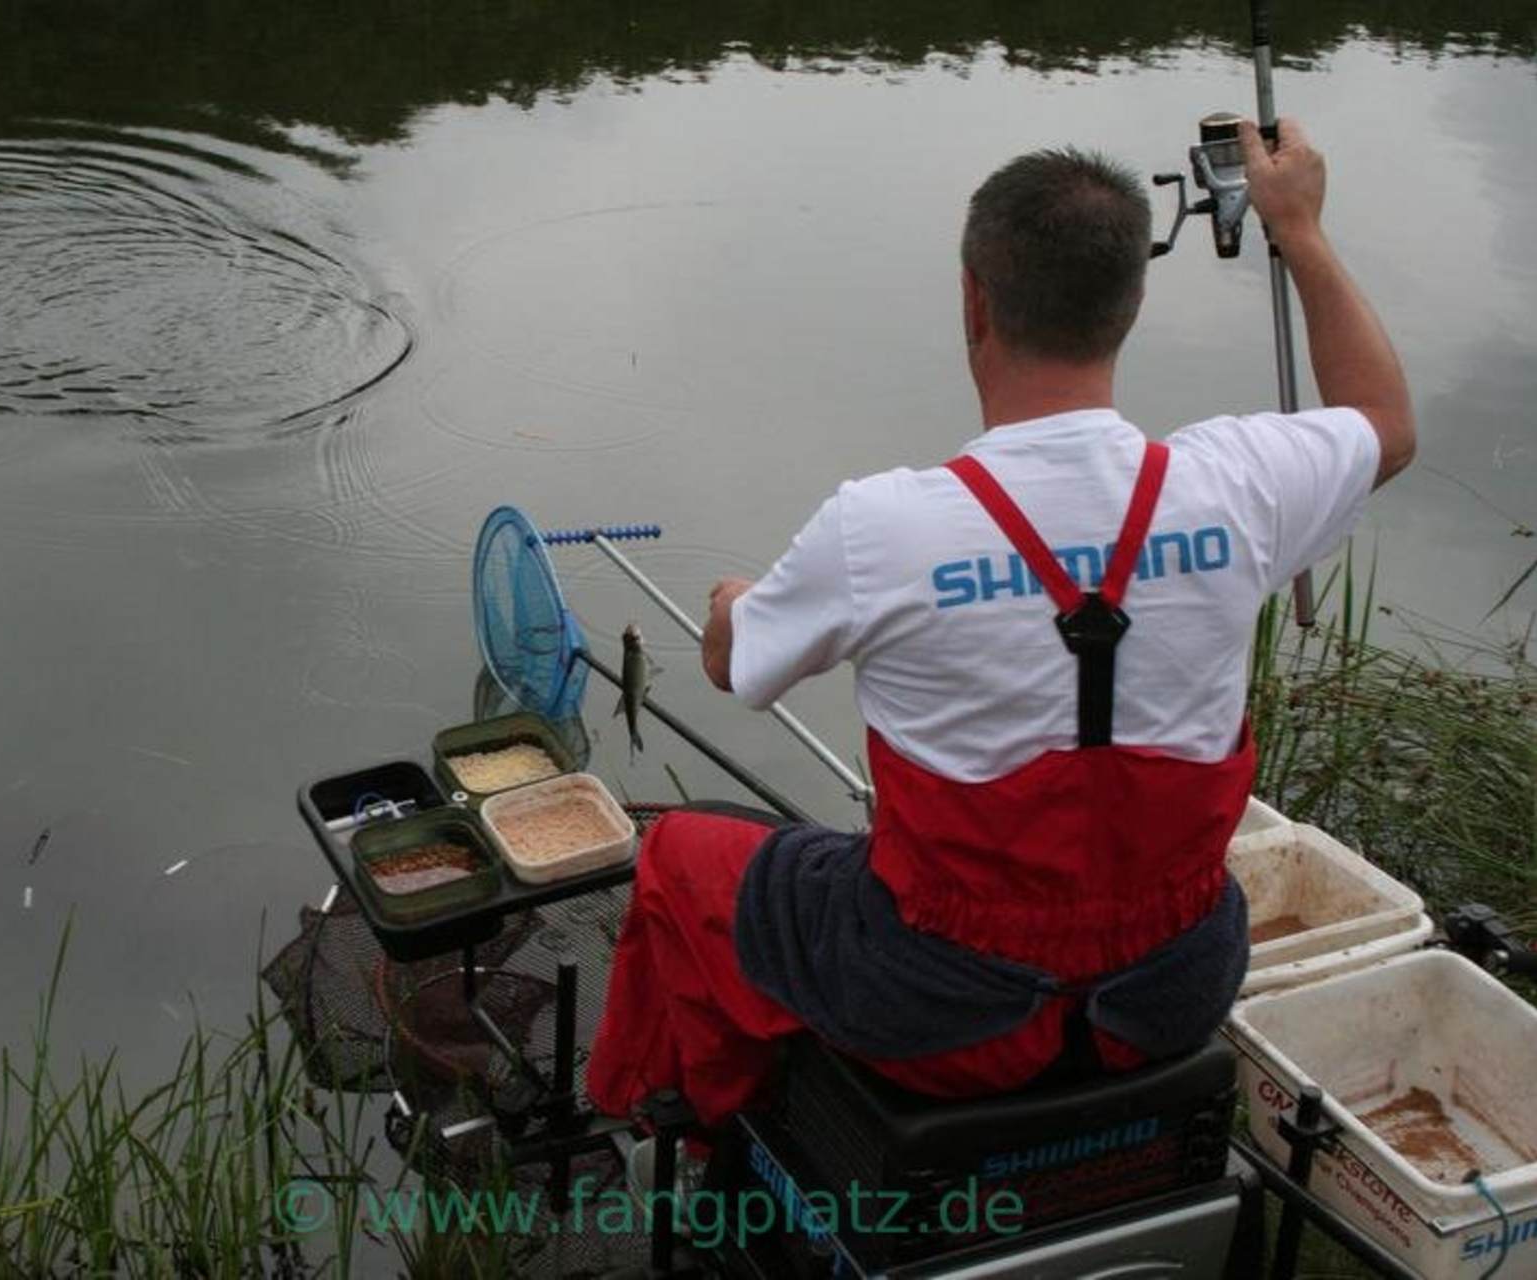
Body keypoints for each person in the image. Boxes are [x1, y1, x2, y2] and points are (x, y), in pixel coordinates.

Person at [586, 118, 1414, 1130]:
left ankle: (694, 1137)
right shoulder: (1239, 484)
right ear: (1132, 303)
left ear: (973, 298)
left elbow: (735, 667)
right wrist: (1301, 231)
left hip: (940, 1009)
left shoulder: (882, 526)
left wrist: (727, 608)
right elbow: (1385, 418)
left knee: (679, 856)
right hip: (1170, 986)